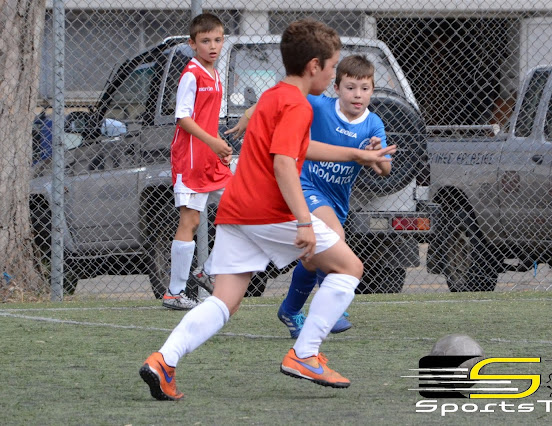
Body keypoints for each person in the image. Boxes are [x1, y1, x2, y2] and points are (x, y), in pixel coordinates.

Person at [139, 18, 396, 400]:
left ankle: (164, 360)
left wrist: (356, 154)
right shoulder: (297, 105)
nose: (333, 75)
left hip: (236, 210)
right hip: (267, 212)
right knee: (349, 267)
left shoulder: (276, 95)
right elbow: (283, 162)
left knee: (224, 301)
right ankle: (305, 354)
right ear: (314, 66)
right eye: (332, 67)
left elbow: (299, 148)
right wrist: (305, 221)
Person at [231, 55, 391, 337]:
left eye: (364, 88)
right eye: (350, 87)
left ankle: (290, 310)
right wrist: (248, 115)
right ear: (336, 88)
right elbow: (277, 99)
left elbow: (385, 169)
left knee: (313, 257)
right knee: (336, 237)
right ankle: (332, 307)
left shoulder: (373, 124)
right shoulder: (319, 105)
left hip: (337, 199)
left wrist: (376, 154)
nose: (357, 95)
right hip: (306, 186)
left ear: (372, 91)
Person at [162, 13, 233, 310]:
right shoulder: (192, 74)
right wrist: (212, 142)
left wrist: (218, 146)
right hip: (190, 159)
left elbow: (207, 119)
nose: (212, 46)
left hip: (209, 159)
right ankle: (175, 292)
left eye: (217, 40)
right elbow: (183, 118)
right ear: (193, 44)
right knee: (190, 221)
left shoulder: (215, 75)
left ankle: (208, 270)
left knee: (240, 206)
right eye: (205, 41)